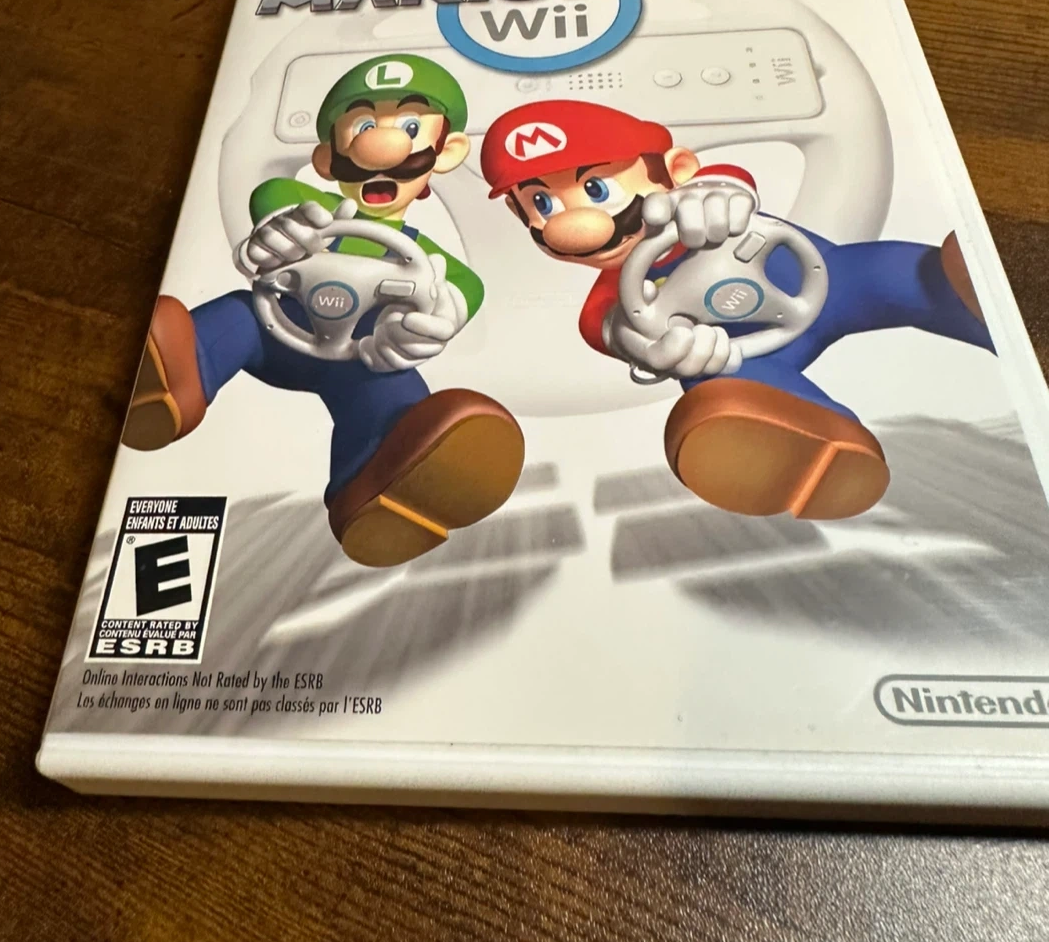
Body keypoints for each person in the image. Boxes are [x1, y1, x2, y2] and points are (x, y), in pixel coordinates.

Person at [481, 98, 991, 520]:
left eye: (595, 189)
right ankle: (815, 446)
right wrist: (660, 349)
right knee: (724, 392)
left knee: (896, 274)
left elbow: (728, 183)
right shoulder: (611, 300)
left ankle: (977, 302)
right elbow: (612, 330)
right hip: (744, 358)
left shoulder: (706, 197)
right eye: (542, 205)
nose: (571, 225)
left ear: (676, 170)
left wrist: (712, 201)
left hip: (831, 285)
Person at [124, 54, 524, 566]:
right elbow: (275, 203)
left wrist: (431, 321)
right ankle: (175, 380)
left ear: (447, 152)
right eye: (362, 127)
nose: (381, 145)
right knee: (237, 314)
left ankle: (380, 485)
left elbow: (463, 290)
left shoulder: (432, 262)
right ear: (326, 158)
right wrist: (280, 234)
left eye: (409, 127)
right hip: (275, 332)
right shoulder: (298, 202)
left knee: (395, 395)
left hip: (363, 361)